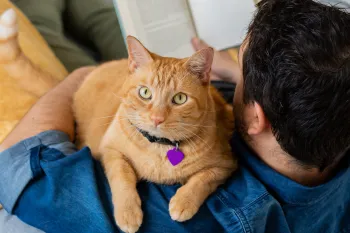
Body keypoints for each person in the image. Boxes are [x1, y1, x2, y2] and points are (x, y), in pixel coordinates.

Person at [1, 0, 350, 233]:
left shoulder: (185, 213)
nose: (239, 72)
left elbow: (14, 167)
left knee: (40, 22)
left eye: (246, 71)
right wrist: (235, 74)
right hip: (157, 80)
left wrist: (78, 78)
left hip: (85, 94)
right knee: (103, 16)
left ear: (257, 118)